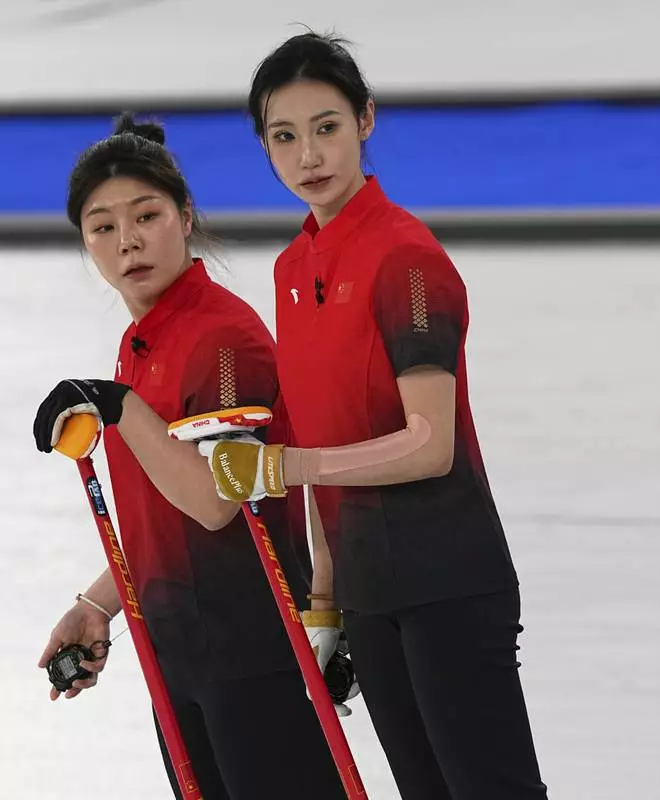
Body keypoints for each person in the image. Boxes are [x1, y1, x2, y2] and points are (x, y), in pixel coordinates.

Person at [194, 32, 548, 800]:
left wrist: (285, 466)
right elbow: (321, 431)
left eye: (326, 127)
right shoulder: (293, 270)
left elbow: (430, 444)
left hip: (447, 578)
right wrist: (325, 603)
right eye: (283, 137)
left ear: (365, 120)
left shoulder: (405, 259)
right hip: (366, 590)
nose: (308, 155)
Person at [32, 113, 346, 800]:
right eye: (103, 227)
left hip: (250, 650)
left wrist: (117, 406)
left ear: (185, 215)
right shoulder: (142, 341)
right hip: (178, 654)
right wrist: (98, 604)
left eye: (147, 216)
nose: (127, 241)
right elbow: (161, 513)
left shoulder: (223, 339)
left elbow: (212, 502)